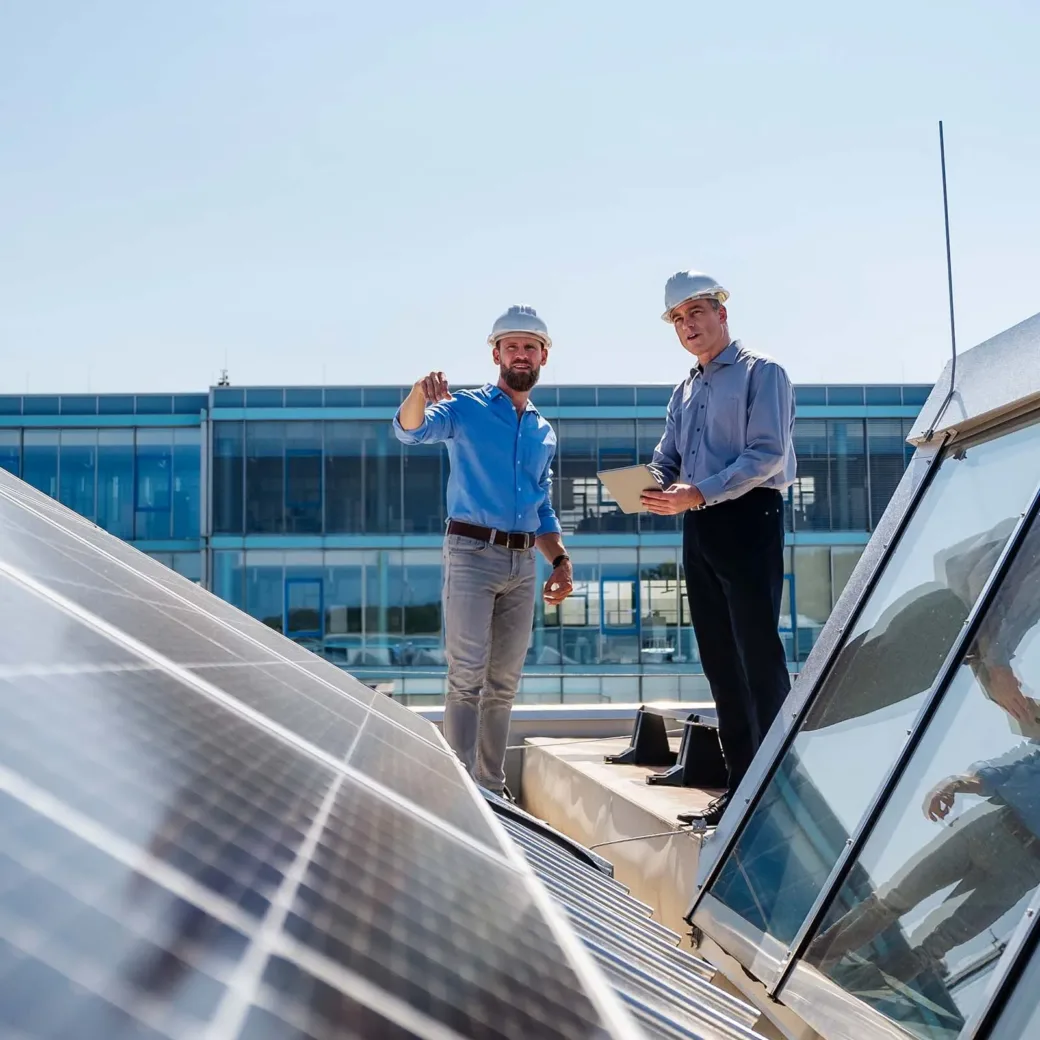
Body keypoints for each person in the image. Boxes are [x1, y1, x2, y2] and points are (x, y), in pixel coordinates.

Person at [393, 305, 574, 797]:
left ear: (543, 356)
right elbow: (410, 430)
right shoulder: (466, 408)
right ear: (496, 353)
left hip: (522, 564)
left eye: (530, 347)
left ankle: (491, 789)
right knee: (467, 676)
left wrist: (558, 560)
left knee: (504, 683)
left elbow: (541, 506)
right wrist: (416, 393)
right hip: (471, 555)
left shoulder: (543, 431)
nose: (521, 354)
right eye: (511, 346)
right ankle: (459, 791)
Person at [642, 271, 796, 828]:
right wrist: (650, 481)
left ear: (722, 314)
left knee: (757, 654)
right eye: (679, 319)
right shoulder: (684, 391)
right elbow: (669, 456)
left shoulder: (762, 372)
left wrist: (698, 491)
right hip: (699, 523)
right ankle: (742, 786)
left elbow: (767, 455)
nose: (689, 326)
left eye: (697, 313)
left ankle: (780, 786)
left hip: (748, 516)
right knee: (719, 660)